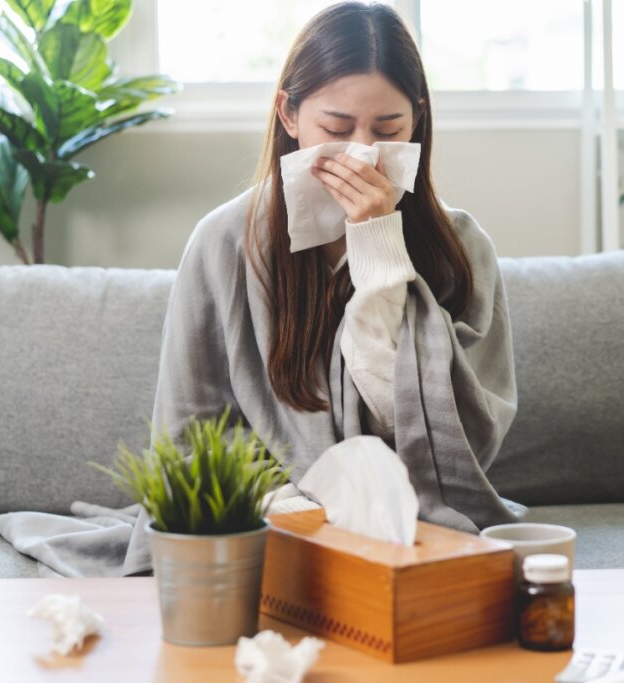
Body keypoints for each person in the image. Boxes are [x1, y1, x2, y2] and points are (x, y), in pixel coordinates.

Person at [122, 1, 522, 575]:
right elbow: (187, 436)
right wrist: (297, 512)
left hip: (411, 521)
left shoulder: (461, 247)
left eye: (388, 130)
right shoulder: (223, 243)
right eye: (336, 129)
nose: (361, 153)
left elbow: (452, 441)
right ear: (289, 114)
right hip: (269, 525)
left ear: (419, 121)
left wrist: (378, 248)